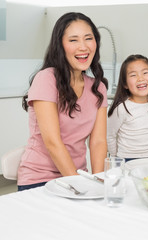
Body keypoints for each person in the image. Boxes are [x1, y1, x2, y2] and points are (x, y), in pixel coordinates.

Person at [18, 12, 108, 190]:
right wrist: (79, 185)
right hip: (40, 179)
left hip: (78, 176)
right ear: (60, 45)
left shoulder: (98, 89)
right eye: (73, 40)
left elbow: (98, 142)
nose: (83, 47)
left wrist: (99, 182)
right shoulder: (46, 79)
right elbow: (53, 142)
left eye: (88, 38)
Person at [107, 54, 148, 161]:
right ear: (125, 84)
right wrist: (116, 159)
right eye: (133, 75)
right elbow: (110, 136)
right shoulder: (121, 109)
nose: (140, 78)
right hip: (127, 159)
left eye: (145, 73)